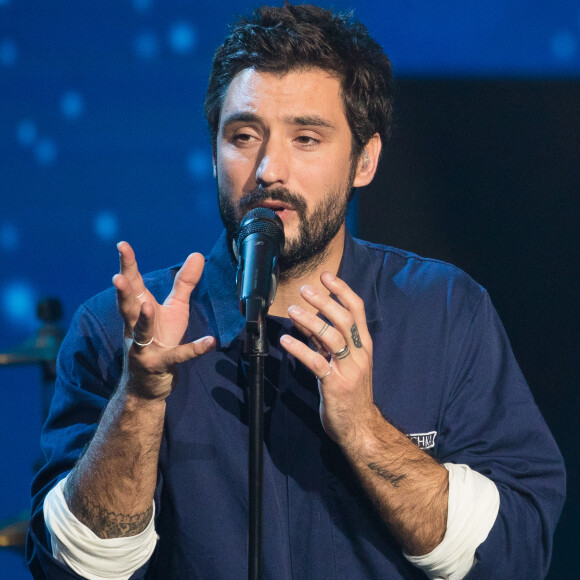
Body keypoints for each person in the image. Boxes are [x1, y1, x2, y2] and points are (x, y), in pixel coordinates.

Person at [27, 4, 565, 579]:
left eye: (306, 137)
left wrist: (363, 429)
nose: (268, 169)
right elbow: (70, 569)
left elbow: (515, 552)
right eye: (243, 136)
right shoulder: (119, 328)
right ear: (213, 155)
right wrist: (140, 398)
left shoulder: (444, 311)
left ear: (365, 160)